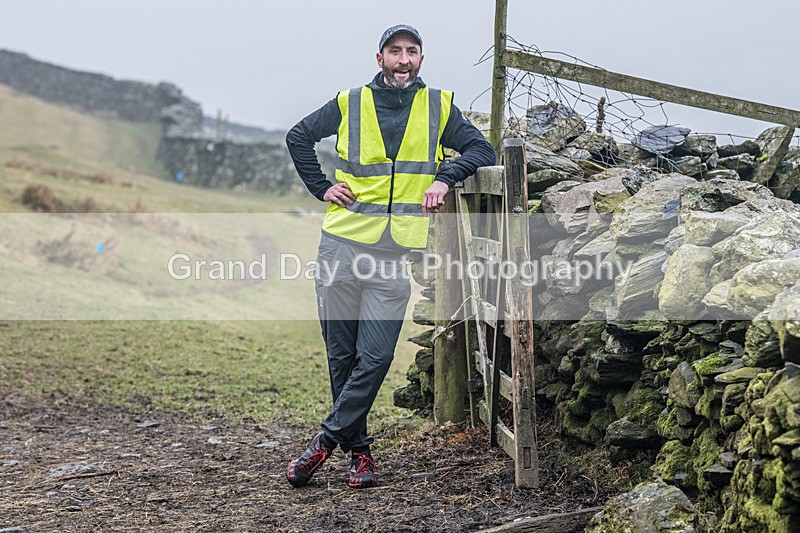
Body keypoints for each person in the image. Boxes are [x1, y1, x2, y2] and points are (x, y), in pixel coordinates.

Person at [284, 24, 495, 489]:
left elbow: (482, 147)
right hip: (341, 245)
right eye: (394, 51)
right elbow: (297, 137)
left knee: (375, 356)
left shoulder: (439, 106)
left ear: (421, 60)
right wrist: (322, 187)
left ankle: (325, 442)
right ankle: (360, 456)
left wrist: (446, 177)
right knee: (342, 358)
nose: (403, 60)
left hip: (391, 256)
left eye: (412, 52)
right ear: (379, 58)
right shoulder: (349, 102)